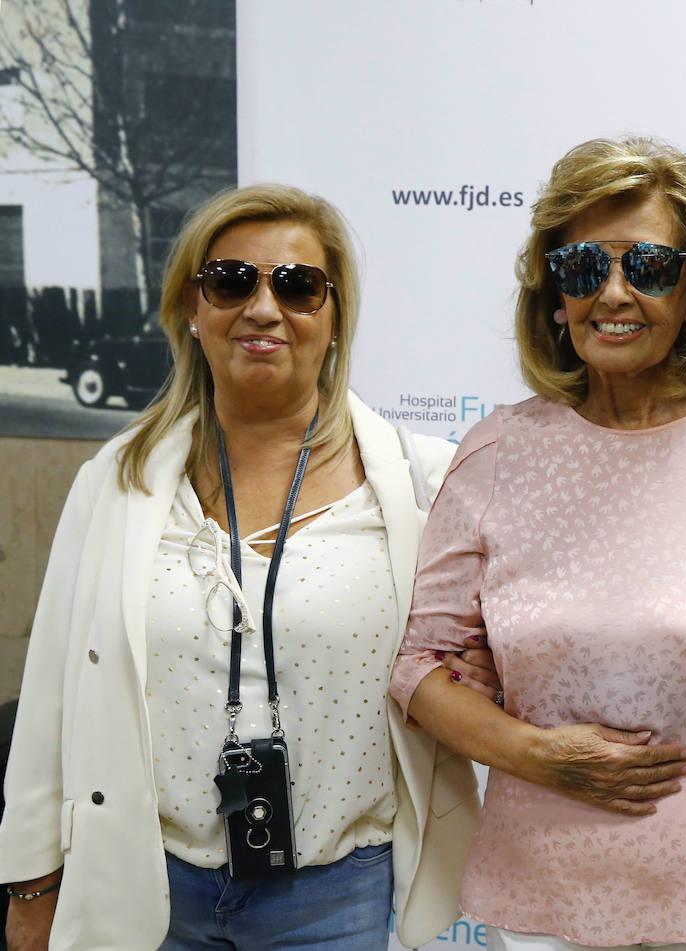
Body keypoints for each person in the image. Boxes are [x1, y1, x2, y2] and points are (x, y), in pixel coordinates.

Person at [389, 136, 686, 951]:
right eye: (583, 268)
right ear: (554, 298)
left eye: (647, 266)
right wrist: (537, 753)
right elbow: (421, 668)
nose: (614, 292)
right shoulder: (497, 453)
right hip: (548, 902)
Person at [0, 184, 496, 951]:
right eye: (232, 281)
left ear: (334, 320)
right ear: (192, 311)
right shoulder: (116, 479)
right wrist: (33, 883)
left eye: (298, 286)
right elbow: (52, 695)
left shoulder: (420, 483)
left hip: (338, 900)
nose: (263, 308)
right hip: (146, 891)